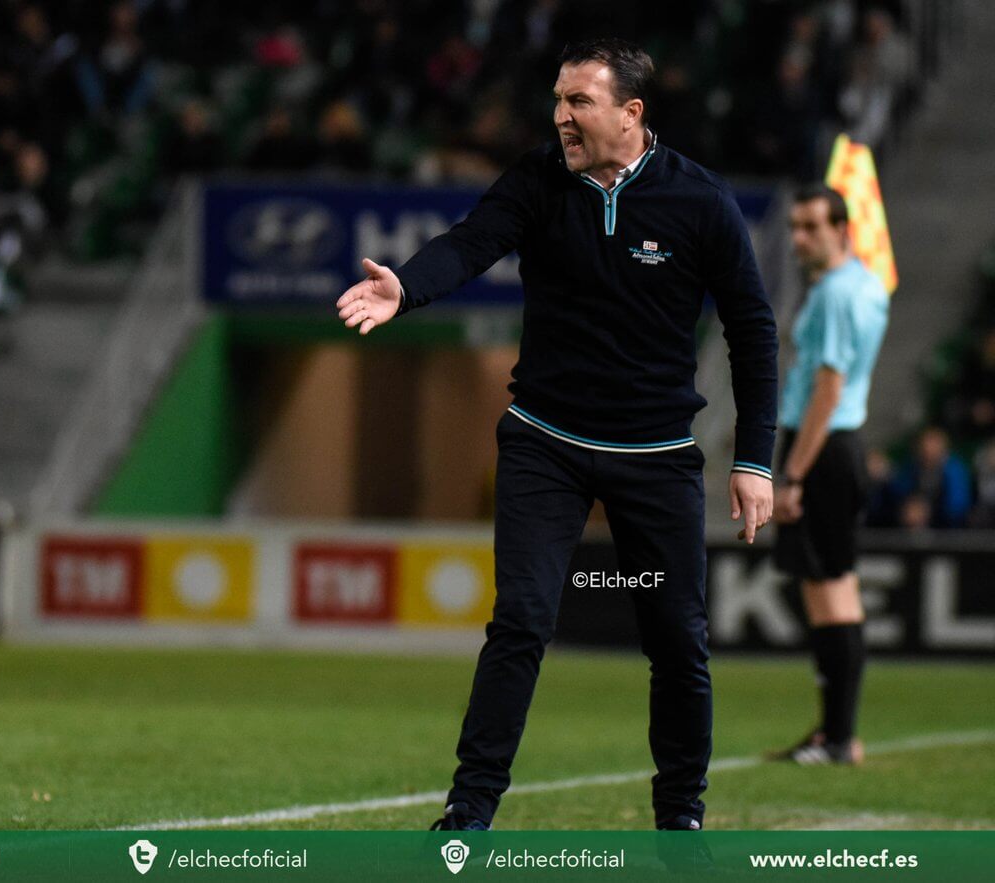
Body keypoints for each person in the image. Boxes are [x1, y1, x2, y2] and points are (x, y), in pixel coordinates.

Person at [335, 38, 777, 831]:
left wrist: (753, 460)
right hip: (547, 444)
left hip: (657, 458)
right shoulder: (539, 179)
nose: (561, 116)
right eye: (558, 100)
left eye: (579, 102)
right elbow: (472, 242)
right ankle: (468, 814)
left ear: (630, 114)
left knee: (677, 638)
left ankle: (681, 821)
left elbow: (753, 331)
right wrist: (409, 287)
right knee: (524, 619)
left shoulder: (701, 201)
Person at [770, 184, 889, 765]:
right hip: (839, 446)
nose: (799, 238)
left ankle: (839, 736)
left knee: (830, 594)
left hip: (820, 447)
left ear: (842, 228)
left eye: (812, 226)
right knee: (831, 588)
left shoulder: (837, 295)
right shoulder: (864, 284)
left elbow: (828, 387)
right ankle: (833, 732)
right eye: (795, 226)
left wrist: (792, 474)